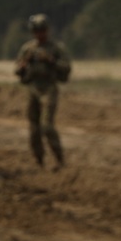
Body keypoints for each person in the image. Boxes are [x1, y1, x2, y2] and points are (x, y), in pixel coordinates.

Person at [14, 13, 71, 170]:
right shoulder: (28, 49)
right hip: (33, 88)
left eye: (42, 30)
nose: (40, 34)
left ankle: (60, 160)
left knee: (47, 126)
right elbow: (18, 70)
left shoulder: (56, 48)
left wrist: (51, 60)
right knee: (34, 129)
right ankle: (39, 161)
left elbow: (66, 68)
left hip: (49, 88)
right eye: (36, 30)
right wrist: (24, 65)